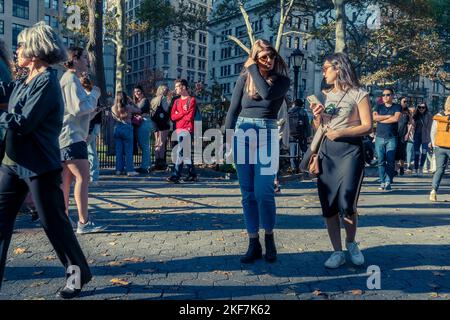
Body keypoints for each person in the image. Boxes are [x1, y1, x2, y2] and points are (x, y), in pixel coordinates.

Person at [0, 22, 91, 299]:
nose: (16, 50)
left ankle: (78, 275)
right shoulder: (25, 78)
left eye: (21, 45)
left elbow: (23, 123)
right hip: (12, 163)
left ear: (36, 50)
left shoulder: (48, 82)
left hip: (39, 166)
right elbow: (6, 92)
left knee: (55, 227)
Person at [224, 39, 290, 263]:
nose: (269, 60)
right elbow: (233, 110)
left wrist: (252, 66)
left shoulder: (282, 80)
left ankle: (269, 237)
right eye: (264, 57)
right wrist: (228, 139)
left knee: (264, 192)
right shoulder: (243, 79)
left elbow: (267, 94)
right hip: (242, 133)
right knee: (248, 194)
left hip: (266, 135)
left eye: (271, 56)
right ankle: (254, 243)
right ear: (256, 56)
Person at [310, 53, 372, 269]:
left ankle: (352, 243)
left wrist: (342, 132)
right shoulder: (325, 96)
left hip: (350, 152)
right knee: (328, 205)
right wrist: (317, 117)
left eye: (327, 68)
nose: (324, 72)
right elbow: (319, 129)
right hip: (327, 153)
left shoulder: (359, 94)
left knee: (346, 202)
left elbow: (368, 126)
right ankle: (337, 251)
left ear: (338, 68)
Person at [60, 47, 106, 234]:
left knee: (67, 180)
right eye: (85, 58)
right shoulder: (71, 79)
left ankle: (64, 220)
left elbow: (77, 109)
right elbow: (78, 108)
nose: (88, 61)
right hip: (72, 136)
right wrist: (94, 93)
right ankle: (83, 222)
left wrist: (93, 109)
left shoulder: (69, 80)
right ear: (75, 59)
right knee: (83, 177)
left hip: (67, 135)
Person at [167, 79, 198, 183]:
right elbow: (172, 117)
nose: (175, 89)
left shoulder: (191, 100)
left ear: (183, 87)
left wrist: (179, 114)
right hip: (178, 130)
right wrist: (183, 113)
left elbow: (189, 117)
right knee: (186, 154)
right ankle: (192, 174)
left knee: (180, 152)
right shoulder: (176, 101)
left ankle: (176, 175)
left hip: (187, 129)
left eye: (177, 86)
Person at [373, 88, 401, 191]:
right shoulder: (378, 106)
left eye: (388, 95)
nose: (385, 97)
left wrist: (381, 119)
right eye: (383, 95)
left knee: (390, 161)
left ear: (392, 96)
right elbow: (374, 118)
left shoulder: (397, 106)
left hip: (391, 138)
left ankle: (388, 181)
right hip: (379, 137)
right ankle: (382, 181)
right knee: (380, 161)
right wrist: (388, 116)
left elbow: (396, 119)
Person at [111, 92, 141, 176]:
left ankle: (118, 170)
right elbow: (139, 110)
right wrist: (132, 101)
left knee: (119, 151)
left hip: (117, 128)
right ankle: (130, 170)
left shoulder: (113, 108)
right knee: (128, 151)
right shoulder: (129, 107)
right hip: (127, 127)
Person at [80, 76, 102, 186]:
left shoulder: (88, 96)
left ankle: (91, 176)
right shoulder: (92, 96)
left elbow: (90, 114)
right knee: (91, 152)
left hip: (90, 126)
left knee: (87, 152)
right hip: (93, 126)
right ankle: (93, 176)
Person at [429, 96, 450, 201]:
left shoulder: (439, 116)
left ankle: (433, 190)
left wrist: (434, 144)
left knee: (439, 170)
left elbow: (433, 131)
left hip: (439, 146)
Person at [133, 85, 154, 174]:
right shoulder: (137, 101)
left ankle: (145, 167)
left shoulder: (144, 100)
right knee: (143, 145)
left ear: (142, 91)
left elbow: (139, 110)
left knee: (144, 145)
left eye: (138, 91)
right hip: (141, 123)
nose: (136, 93)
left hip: (144, 123)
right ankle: (147, 165)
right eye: (135, 92)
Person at [151, 85, 171, 170]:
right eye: (166, 90)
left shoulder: (153, 99)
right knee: (162, 143)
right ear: (163, 91)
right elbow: (166, 110)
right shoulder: (163, 98)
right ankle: (161, 162)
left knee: (157, 142)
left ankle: (156, 160)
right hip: (163, 123)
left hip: (155, 123)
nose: (167, 92)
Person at [288, 99, 312, 172]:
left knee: (293, 149)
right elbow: (307, 124)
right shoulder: (303, 111)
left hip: (291, 133)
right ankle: (303, 167)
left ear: (294, 104)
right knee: (304, 149)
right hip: (302, 134)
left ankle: (293, 167)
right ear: (302, 105)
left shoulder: (290, 111)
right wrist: (308, 135)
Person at [412, 102, 432, 175]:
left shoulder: (429, 115)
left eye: (423, 107)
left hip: (425, 137)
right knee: (416, 153)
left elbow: (431, 127)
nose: (421, 109)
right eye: (419, 107)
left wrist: (430, 140)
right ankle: (415, 169)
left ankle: (421, 168)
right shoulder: (415, 115)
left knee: (424, 153)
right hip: (417, 136)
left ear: (425, 108)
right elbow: (412, 125)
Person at [396, 97, 412, 176]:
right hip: (395, 133)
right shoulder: (396, 110)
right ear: (400, 102)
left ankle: (402, 167)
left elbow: (410, 124)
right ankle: (395, 169)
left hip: (403, 134)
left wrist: (408, 134)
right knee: (395, 151)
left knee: (402, 151)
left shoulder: (408, 112)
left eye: (407, 101)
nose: (406, 102)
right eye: (404, 101)